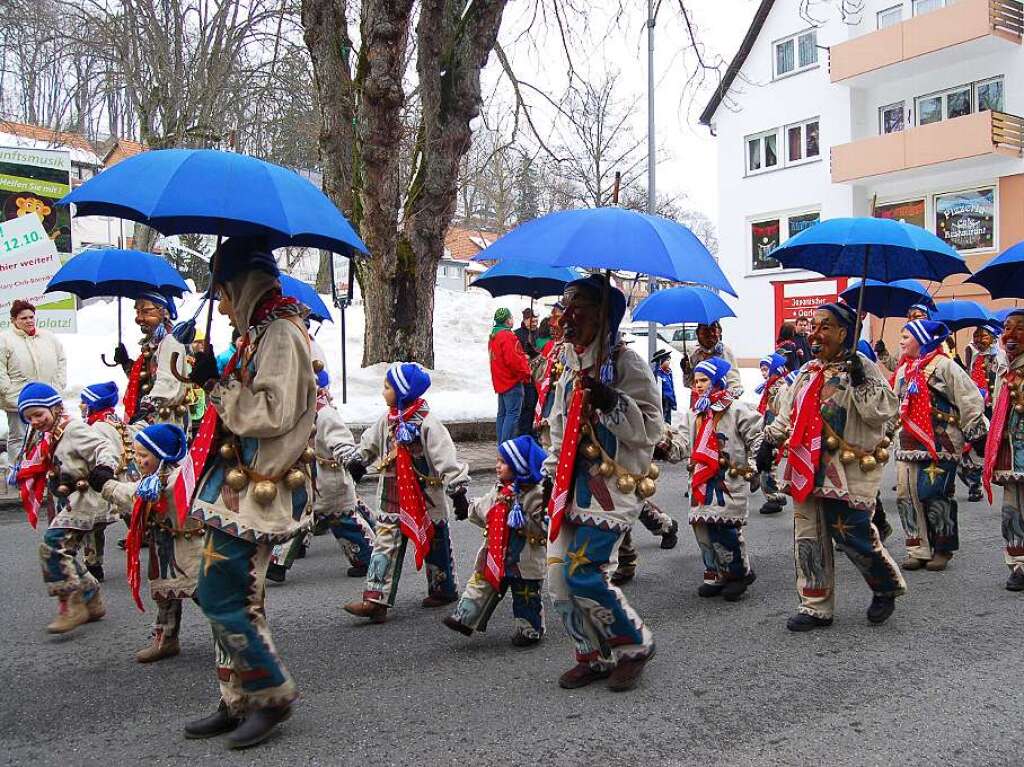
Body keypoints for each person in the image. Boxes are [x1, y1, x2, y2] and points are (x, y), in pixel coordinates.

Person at [182, 237, 316, 748]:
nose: (219, 303)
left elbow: (271, 413)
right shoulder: (257, 332)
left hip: (262, 486)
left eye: (222, 290)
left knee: (224, 593)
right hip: (236, 481)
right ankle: (237, 698)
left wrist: (219, 385)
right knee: (228, 592)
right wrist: (214, 376)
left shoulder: (281, 333)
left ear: (241, 285)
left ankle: (271, 694)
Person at [759, 302, 906, 632]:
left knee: (852, 533)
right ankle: (814, 605)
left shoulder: (863, 368)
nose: (816, 332)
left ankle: (885, 586)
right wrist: (769, 441)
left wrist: (860, 379)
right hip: (805, 464)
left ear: (845, 333)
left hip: (847, 467)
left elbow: (880, 413)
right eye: (814, 325)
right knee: (807, 536)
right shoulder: (809, 370)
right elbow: (789, 411)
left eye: (825, 326)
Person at [544, 274, 661, 692]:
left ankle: (633, 646)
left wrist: (610, 399)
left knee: (584, 572)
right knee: (558, 582)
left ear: (602, 315)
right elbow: (559, 428)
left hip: (609, 489)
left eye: (578, 308)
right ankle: (591, 655)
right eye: (565, 307)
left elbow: (650, 430)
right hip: (567, 488)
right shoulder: (568, 364)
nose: (567, 317)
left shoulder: (627, 364)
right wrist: (550, 475)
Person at [343, 362, 470, 622]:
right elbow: (370, 443)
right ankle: (375, 600)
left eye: (387, 387)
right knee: (384, 545)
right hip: (392, 495)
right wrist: (359, 462)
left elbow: (445, 457)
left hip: (426, 498)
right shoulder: (386, 420)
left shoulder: (427, 424)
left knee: (435, 540)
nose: (383, 392)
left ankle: (443, 588)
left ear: (402, 392)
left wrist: (457, 490)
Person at [16, 382, 118, 634]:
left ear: (55, 407)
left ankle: (72, 604)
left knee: (52, 546)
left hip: (90, 501)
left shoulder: (72, 429)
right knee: (65, 550)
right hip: (75, 501)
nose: (35, 421)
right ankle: (91, 598)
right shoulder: (53, 433)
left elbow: (104, 447)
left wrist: (104, 468)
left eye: (39, 414)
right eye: (29, 418)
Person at [101, 423, 203, 663]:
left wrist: (106, 485)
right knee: (165, 594)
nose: (137, 460)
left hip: (188, 549)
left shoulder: (172, 479)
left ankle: (235, 638)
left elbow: (132, 496)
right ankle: (166, 639)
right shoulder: (156, 477)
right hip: (165, 547)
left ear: (162, 455)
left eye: (143, 455)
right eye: (135, 454)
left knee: (204, 593)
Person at [892, 320, 986, 573]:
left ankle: (943, 547)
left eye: (905, 337)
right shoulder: (903, 371)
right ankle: (917, 548)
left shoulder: (945, 366)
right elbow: (894, 405)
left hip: (941, 440)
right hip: (908, 441)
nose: (900, 342)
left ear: (922, 340)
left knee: (932, 492)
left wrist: (976, 433)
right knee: (905, 494)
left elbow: (970, 397)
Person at [266, 370, 374, 583]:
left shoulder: (326, 414)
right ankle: (276, 563)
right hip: (306, 476)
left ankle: (367, 556)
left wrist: (351, 460)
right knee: (296, 518)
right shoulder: (301, 411)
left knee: (343, 519)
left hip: (328, 478)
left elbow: (340, 439)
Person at [669, 357, 761, 600]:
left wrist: (755, 465)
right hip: (700, 481)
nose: (698, 385)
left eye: (704, 380)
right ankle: (715, 573)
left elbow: (757, 438)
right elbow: (680, 444)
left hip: (728, 478)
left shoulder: (737, 410)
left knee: (726, 528)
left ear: (718, 381)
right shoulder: (693, 414)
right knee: (703, 528)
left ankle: (738, 573)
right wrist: (665, 445)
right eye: (696, 381)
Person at [444, 435, 548, 647]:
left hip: (524, 559)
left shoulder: (536, 495)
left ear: (519, 466)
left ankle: (530, 629)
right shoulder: (500, 489)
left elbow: (546, 526)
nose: (497, 466)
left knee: (525, 596)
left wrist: (530, 520)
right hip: (495, 552)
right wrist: (468, 508)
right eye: (497, 460)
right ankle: (465, 617)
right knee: (481, 582)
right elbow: (485, 508)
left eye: (503, 462)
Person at [981, 309, 1024, 592]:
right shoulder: (1003, 370)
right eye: (1006, 328)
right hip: (1009, 450)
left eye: (1018, 329)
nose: (1009, 335)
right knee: (1011, 509)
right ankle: (1018, 564)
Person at [78, 382, 136, 583]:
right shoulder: (113, 420)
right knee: (133, 515)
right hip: (126, 477)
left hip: (106, 479)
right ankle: (145, 544)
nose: (81, 406)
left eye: (84, 402)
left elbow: (101, 454)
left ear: (93, 404)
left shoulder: (97, 427)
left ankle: (94, 564)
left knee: (94, 524)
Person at [0, 300, 66, 470]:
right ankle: (16, 469)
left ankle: (41, 468)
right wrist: (7, 390)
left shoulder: (48, 337)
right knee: (18, 435)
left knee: (45, 433)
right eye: (23, 318)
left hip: (46, 397)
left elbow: (61, 360)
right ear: (14, 320)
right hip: (17, 397)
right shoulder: (5, 339)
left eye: (31, 317)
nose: (29, 321)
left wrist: (57, 386)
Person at [113, 291, 190, 429]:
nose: (139, 318)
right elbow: (144, 381)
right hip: (148, 420)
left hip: (163, 422)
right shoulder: (153, 343)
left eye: (146, 312)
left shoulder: (170, 341)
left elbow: (168, 383)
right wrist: (125, 362)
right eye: (137, 312)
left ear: (162, 312)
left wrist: (146, 407)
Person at [959, 322, 1005, 502]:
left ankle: (981, 480)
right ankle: (973, 482)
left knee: (983, 446)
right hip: (973, 406)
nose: (978, 340)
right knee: (970, 446)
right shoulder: (973, 355)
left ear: (993, 337)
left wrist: (989, 395)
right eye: (976, 336)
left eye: (983, 336)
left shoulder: (1000, 356)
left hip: (991, 408)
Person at [489, 308, 533, 443]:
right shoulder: (508, 336)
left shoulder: (494, 336)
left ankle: (501, 445)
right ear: (508, 320)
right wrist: (527, 371)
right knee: (512, 415)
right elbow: (514, 360)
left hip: (500, 381)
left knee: (502, 415)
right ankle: (506, 447)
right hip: (511, 381)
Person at [755, 352, 790, 516]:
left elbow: (775, 411)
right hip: (770, 428)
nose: (763, 372)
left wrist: (769, 434)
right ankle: (773, 494)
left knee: (768, 466)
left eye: (766, 369)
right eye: (761, 369)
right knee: (766, 465)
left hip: (775, 431)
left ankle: (774, 497)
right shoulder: (771, 384)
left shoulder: (778, 387)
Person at [681, 321, 742, 408]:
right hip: (699, 404)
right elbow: (690, 384)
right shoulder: (695, 354)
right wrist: (686, 371)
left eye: (713, 330)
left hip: (721, 405)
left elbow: (734, 383)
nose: (710, 334)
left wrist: (724, 404)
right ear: (698, 334)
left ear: (719, 332)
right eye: (705, 331)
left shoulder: (724, 352)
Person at [515, 308, 541, 436]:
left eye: (536, 319)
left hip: (539, 376)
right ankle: (523, 433)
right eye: (532, 319)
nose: (535, 322)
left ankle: (533, 433)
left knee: (537, 406)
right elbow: (515, 354)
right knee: (527, 406)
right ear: (525, 320)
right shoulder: (517, 334)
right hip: (526, 377)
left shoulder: (541, 333)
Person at [652, 349, 676, 424]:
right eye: (667, 360)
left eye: (669, 360)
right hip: (662, 402)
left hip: (669, 402)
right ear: (661, 361)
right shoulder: (657, 374)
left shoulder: (669, 373)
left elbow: (672, 388)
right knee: (662, 422)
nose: (669, 362)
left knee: (668, 422)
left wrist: (674, 402)